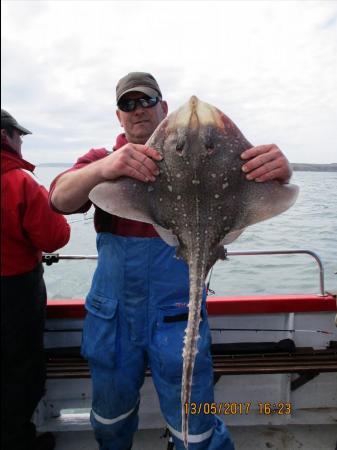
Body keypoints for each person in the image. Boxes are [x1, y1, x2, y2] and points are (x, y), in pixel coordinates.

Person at [49, 72, 292, 450]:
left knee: (194, 421)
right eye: (127, 104)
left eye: (146, 101)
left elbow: (276, 189)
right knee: (110, 415)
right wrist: (105, 168)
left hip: (178, 311)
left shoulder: (219, 160)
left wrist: (277, 173)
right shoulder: (101, 160)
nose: (137, 110)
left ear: (163, 108)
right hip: (112, 316)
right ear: (118, 117)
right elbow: (59, 199)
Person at [1, 109, 71, 450]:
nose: (22, 143)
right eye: (19, 136)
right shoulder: (19, 182)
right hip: (12, 295)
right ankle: (17, 442)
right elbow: (54, 237)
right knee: (19, 372)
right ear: (6, 136)